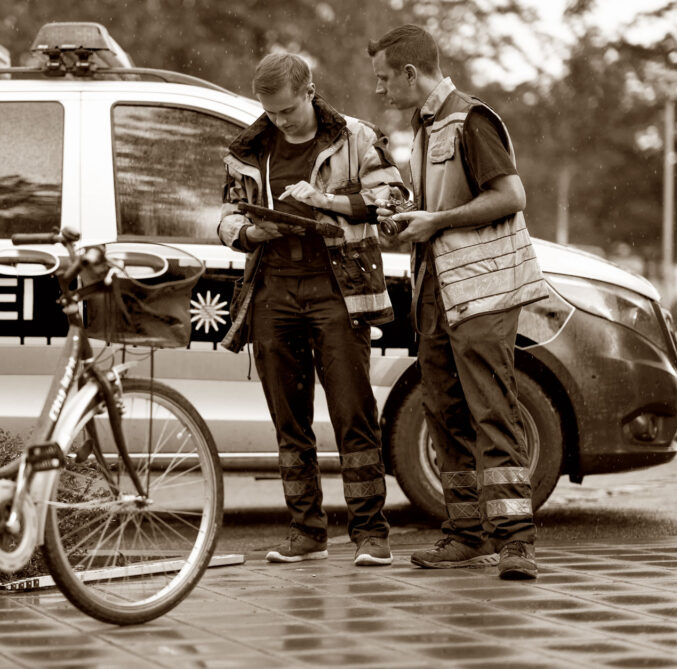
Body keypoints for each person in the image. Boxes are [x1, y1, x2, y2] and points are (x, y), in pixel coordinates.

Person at [368, 24, 550, 580]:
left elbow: (510, 195)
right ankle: (467, 534)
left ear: (410, 73)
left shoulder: (471, 119)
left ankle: (517, 542)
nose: (380, 92)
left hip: (482, 295)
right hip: (437, 294)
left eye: (384, 80)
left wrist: (436, 221)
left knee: (492, 409)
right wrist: (405, 219)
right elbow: (439, 210)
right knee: (444, 412)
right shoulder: (425, 130)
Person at [217, 52, 407, 567]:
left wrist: (324, 201)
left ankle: (371, 532)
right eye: (272, 112)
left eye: (288, 111)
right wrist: (253, 231)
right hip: (272, 290)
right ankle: (306, 531)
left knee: (353, 412)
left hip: (338, 289)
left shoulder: (356, 138)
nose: (280, 121)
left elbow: (393, 202)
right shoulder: (246, 148)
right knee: (288, 418)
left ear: (310, 91)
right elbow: (226, 218)